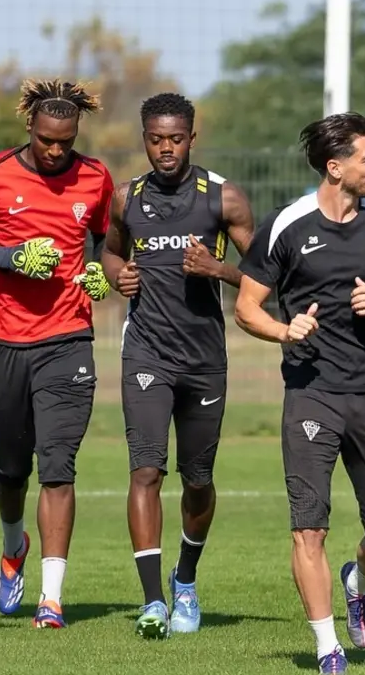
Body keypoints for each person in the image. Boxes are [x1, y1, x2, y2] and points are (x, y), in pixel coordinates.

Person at [234, 112, 365, 674]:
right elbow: (247, 307)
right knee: (309, 524)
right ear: (335, 167)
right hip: (311, 393)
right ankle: (328, 645)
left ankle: (361, 574)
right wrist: (284, 330)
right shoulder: (288, 225)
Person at [101, 93, 256, 639]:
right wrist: (117, 273)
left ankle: (185, 578)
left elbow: (270, 276)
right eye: (155, 139)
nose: (166, 149)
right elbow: (110, 252)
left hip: (205, 360)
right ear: (144, 138)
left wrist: (218, 268)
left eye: (176, 139)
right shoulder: (127, 199)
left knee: (198, 479)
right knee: (145, 469)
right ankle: (152, 601)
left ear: (192, 138)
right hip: (145, 353)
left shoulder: (223, 198)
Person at [0, 80, 115, 628]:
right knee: (11, 466)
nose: (57, 150)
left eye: (67, 141)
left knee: (57, 465)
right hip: (1, 335)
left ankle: (51, 598)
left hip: (68, 337)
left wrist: (102, 270)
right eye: (48, 140)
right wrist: (7, 257)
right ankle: (13, 546)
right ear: (29, 126)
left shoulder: (96, 177)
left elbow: (106, 238)